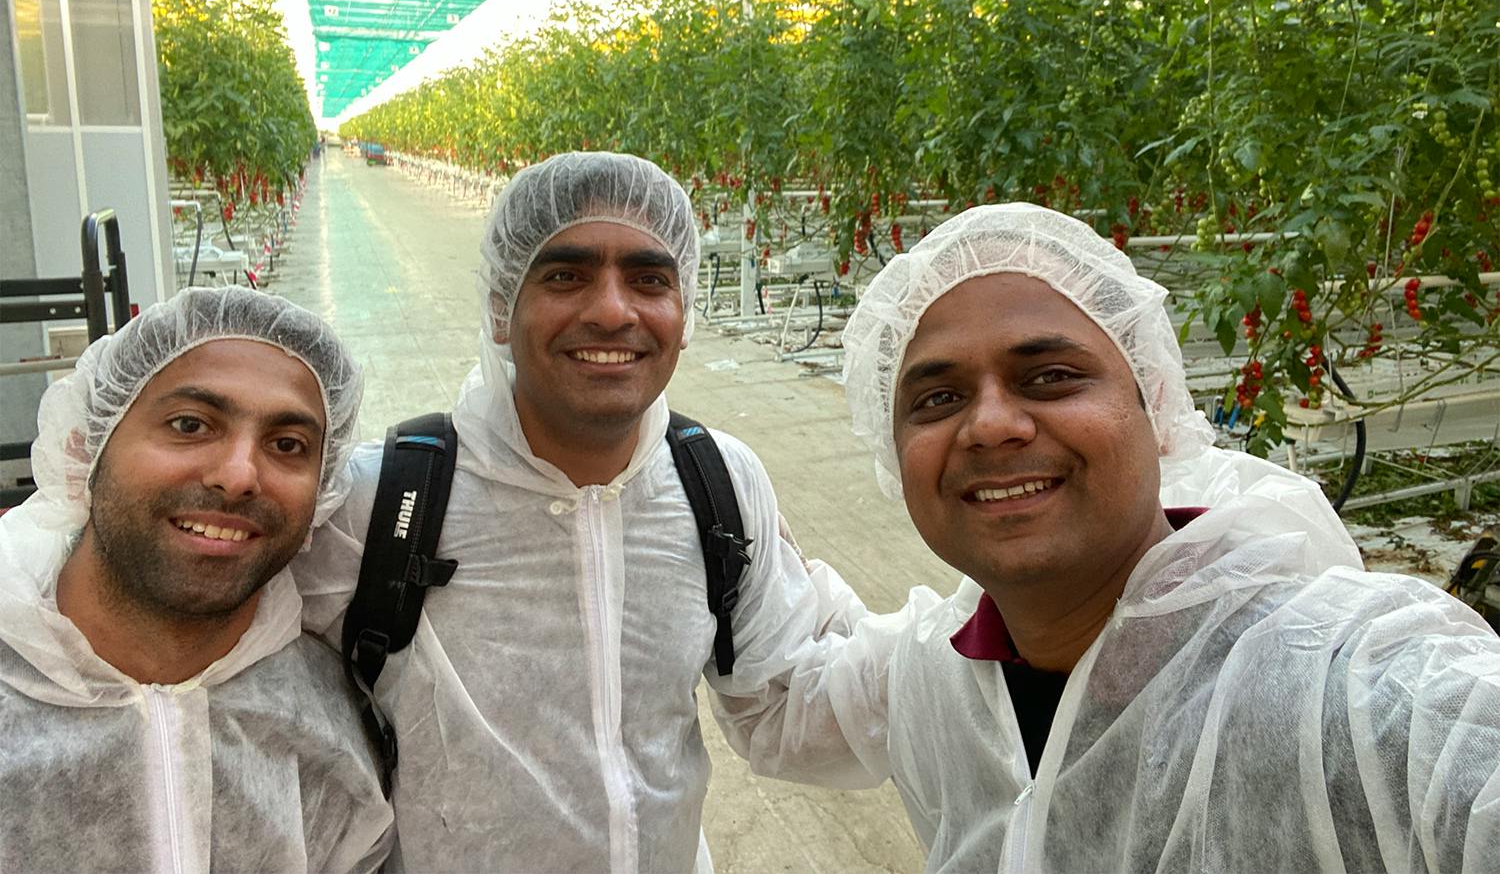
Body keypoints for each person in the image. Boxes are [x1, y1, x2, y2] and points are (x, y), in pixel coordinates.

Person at [718, 202, 1500, 872]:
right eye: (939, 395)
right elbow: (786, 701)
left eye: (1051, 375)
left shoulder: (1347, 679)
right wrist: (709, 482)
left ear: (1154, 403)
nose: (990, 423)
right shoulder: (933, 675)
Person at [295, 151, 853, 873]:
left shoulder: (715, 480)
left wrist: (951, 652)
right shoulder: (383, 502)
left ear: (684, 315)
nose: (613, 311)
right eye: (566, 275)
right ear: (502, 306)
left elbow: (781, 698)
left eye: (650, 279)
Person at [0, 286, 393, 872]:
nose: (238, 476)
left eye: (288, 445)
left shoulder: (331, 734)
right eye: (190, 424)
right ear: (85, 448)